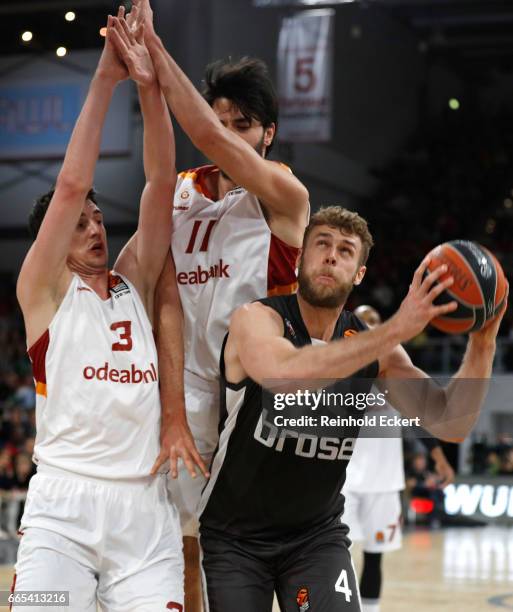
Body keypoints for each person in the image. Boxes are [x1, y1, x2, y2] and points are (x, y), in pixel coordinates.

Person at [198, 206, 506, 612]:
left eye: (346, 251)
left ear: (359, 273)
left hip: (315, 536)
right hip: (234, 537)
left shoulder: (377, 349)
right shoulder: (258, 319)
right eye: (321, 244)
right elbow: (285, 374)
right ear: (300, 258)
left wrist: (483, 343)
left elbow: (450, 421)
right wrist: (398, 326)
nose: (331, 256)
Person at [113, 2, 310, 608]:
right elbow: (129, 271)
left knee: (262, 544)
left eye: (241, 124)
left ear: (267, 134)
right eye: (220, 119)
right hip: (187, 383)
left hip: (259, 390)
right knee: (186, 545)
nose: (226, 133)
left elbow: (199, 134)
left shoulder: (284, 196)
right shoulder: (176, 192)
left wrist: (152, 46)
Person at [13, 8, 184, 611]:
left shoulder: (133, 279)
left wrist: (148, 85)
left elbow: (161, 184)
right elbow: (68, 185)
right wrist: (104, 80)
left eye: (97, 217)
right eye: (79, 222)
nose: (94, 227)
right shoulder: (44, 290)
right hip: (64, 508)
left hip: (145, 511)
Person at [343, 305, 455, 612]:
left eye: (374, 320)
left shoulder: (395, 364)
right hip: (342, 480)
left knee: (375, 556)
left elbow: (416, 418)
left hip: (384, 480)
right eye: (362, 319)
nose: (368, 324)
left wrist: (438, 457)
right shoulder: (336, 362)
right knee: (336, 556)